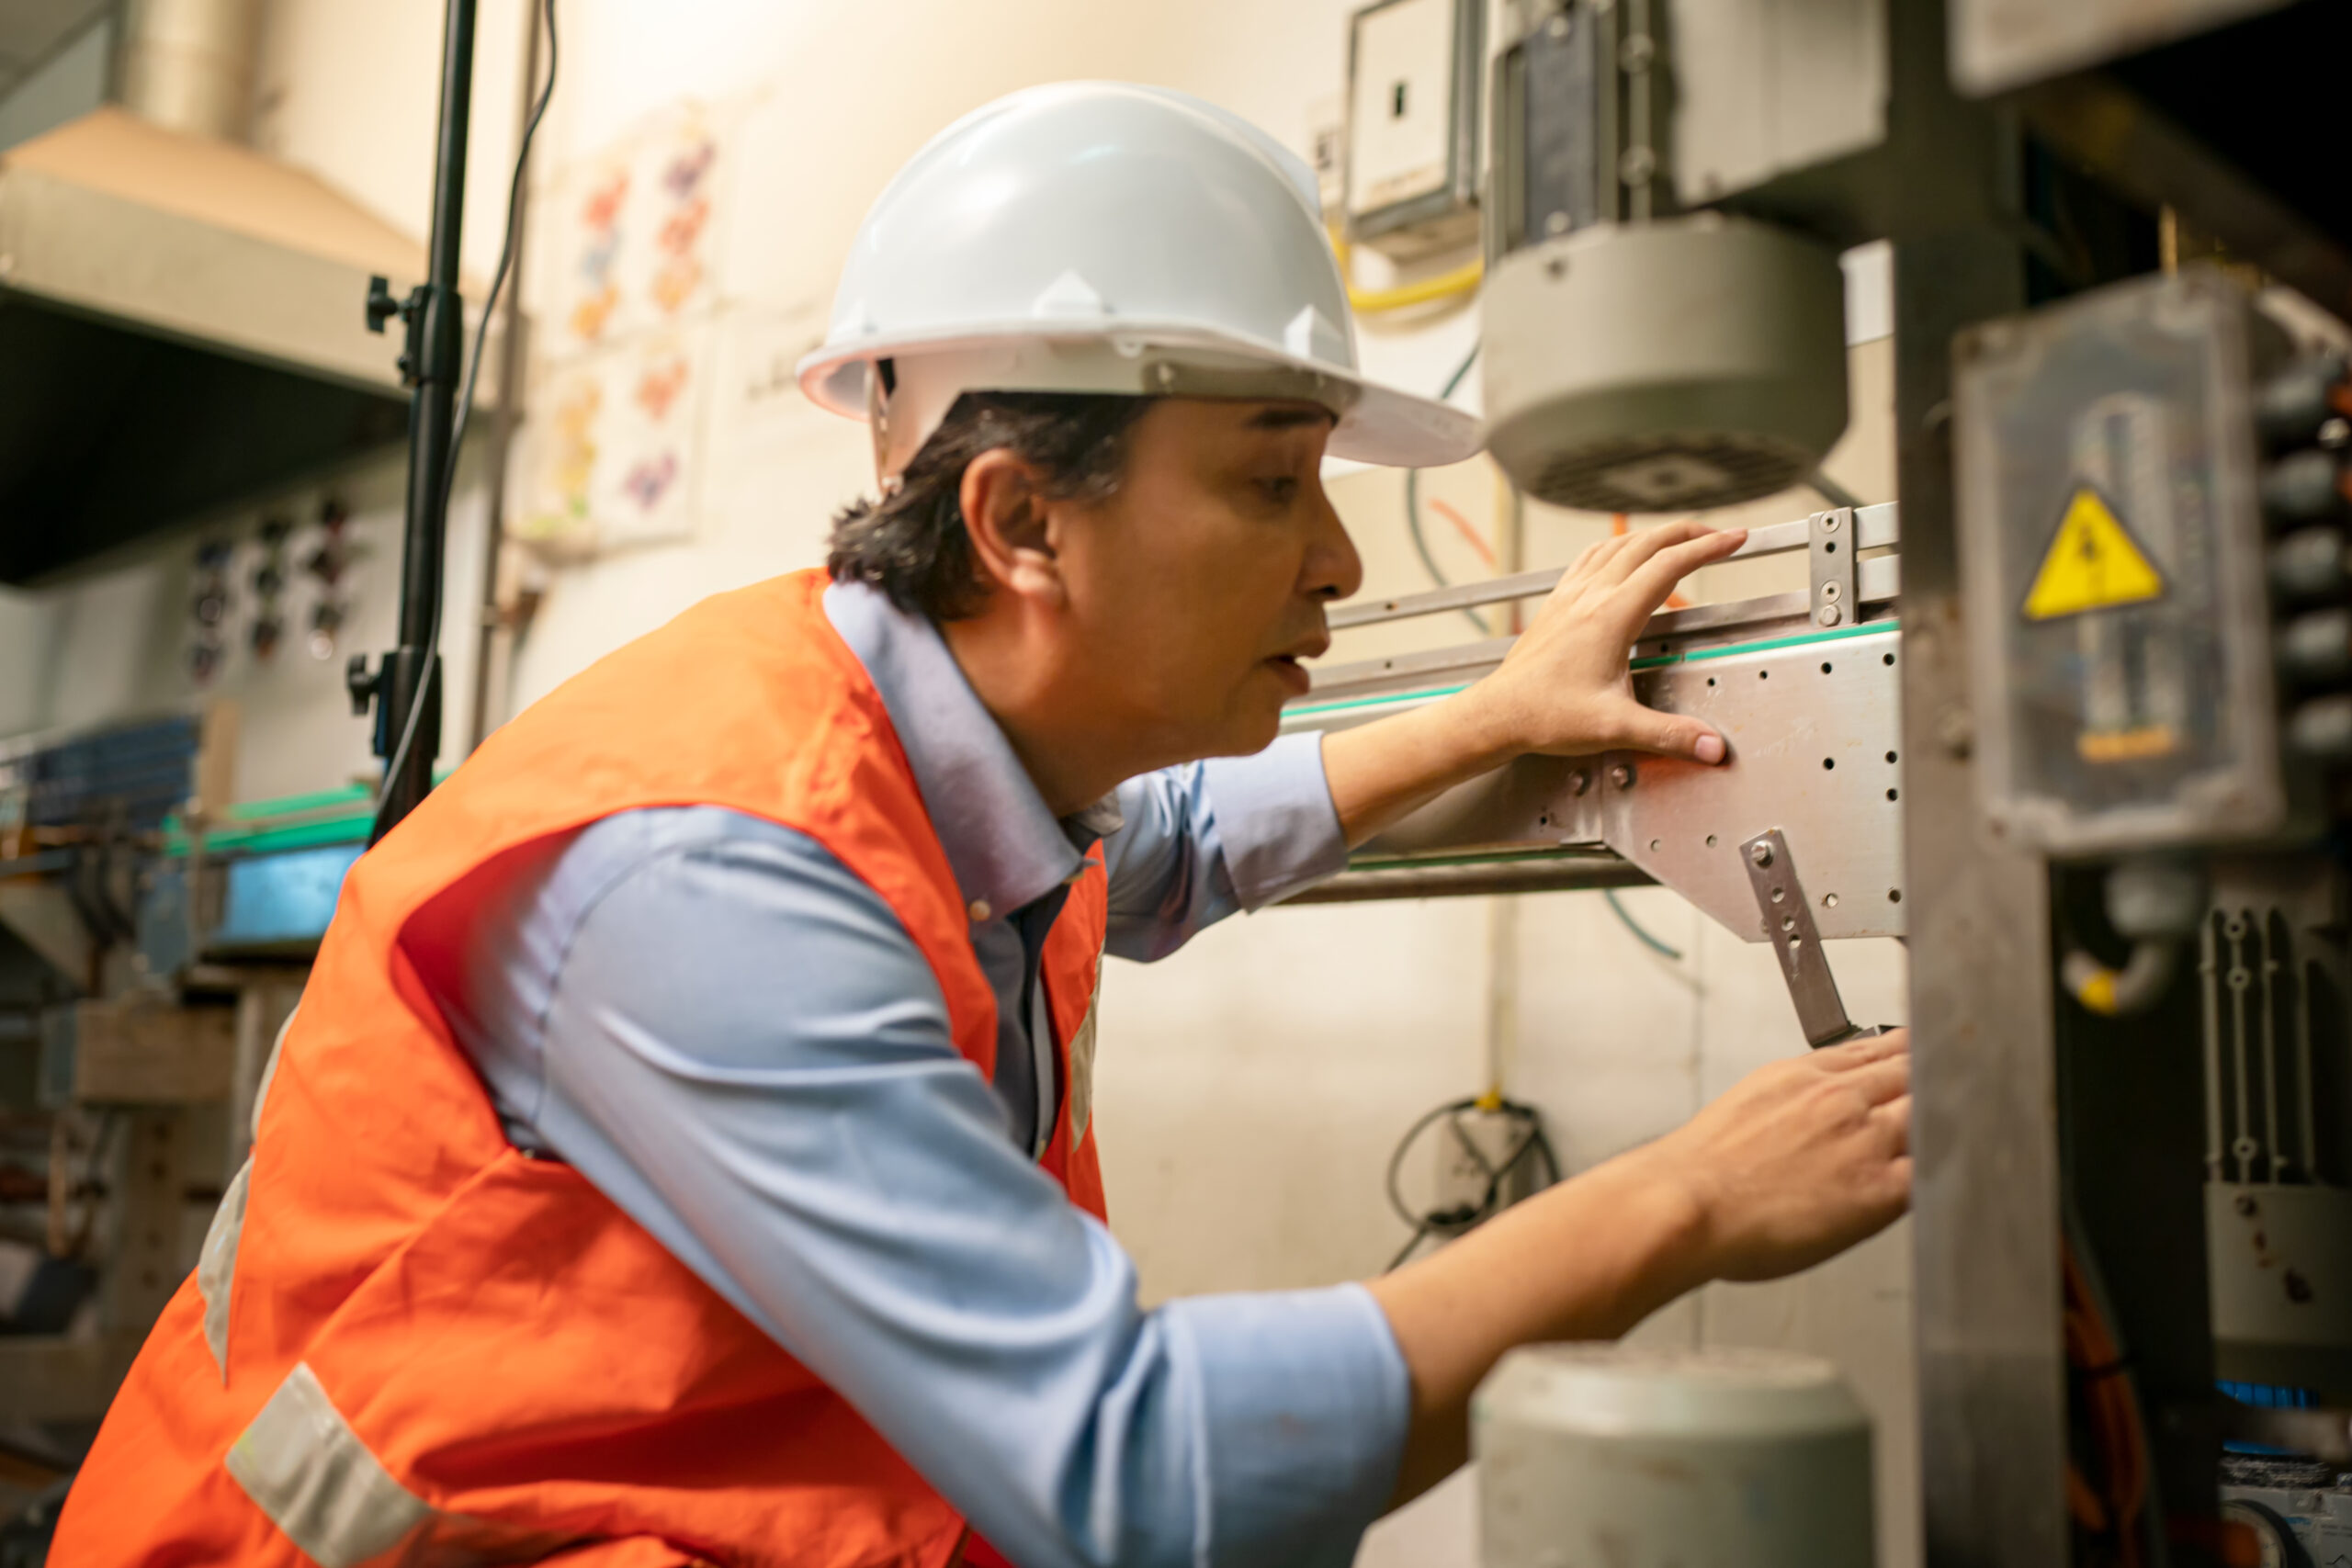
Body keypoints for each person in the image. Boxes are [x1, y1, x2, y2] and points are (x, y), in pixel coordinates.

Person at [51, 83, 1909, 1568]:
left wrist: (1490, 715)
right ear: (1022, 521)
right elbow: (1128, 1474)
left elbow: (1167, 844)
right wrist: (1684, 1197)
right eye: (1275, 478)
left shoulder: (956, 764)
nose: (1338, 557)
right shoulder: (710, 879)